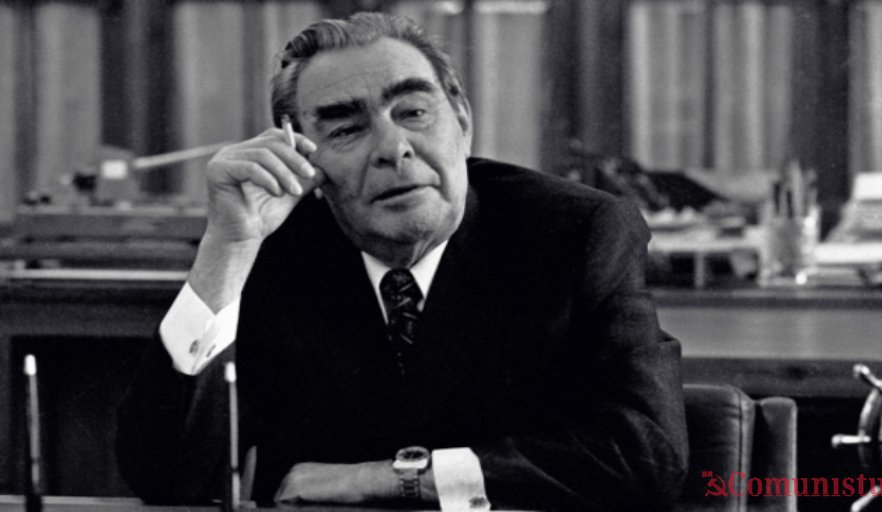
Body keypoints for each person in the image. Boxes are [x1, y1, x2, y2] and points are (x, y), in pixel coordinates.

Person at [116, 11, 687, 511]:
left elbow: (647, 457)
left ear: (462, 120)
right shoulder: (273, 245)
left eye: (413, 112)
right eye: (347, 128)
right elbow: (166, 476)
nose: (393, 148)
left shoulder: (574, 231)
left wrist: (388, 479)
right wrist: (226, 251)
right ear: (302, 158)